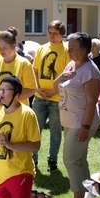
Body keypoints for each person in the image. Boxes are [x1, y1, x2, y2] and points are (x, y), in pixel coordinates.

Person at [0, 76, 50, 198]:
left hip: (20, 171)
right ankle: (28, 195)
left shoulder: (28, 114)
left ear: (16, 94)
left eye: (5, 90)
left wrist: (10, 145)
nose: (0, 93)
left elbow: (35, 145)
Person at [56, 32, 100, 198]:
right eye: (69, 46)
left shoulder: (90, 71)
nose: (68, 50)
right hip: (69, 120)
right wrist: (63, 76)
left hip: (81, 122)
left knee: (70, 159)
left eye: (72, 48)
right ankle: (87, 197)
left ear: (84, 50)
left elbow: (92, 102)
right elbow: (54, 86)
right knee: (79, 159)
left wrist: (85, 126)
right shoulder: (71, 65)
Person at [32, 20, 70, 172]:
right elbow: (34, 70)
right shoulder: (41, 49)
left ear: (62, 34)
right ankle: (33, 159)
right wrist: (38, 88)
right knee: (35, 129)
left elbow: (67, 74)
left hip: (56, 98)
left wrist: (55, 91)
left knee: (55, 131)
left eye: (55, 33)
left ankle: (52, 160)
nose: (52, 36)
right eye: (50, 32)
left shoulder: (67, 50)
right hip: (40, 97)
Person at [0, 28, 37, 102]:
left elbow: (31, 89)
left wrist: (9, 98)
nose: (1, 50)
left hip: (17, 110)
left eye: (4, 47)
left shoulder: (24, 63)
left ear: (13, 46)